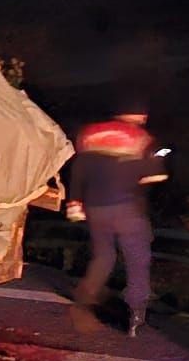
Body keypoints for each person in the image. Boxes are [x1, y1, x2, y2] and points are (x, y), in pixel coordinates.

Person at [64, 105, 168, 335]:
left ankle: (85, 299)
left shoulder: (91, 134)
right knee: (137, 258)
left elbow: (79, 169)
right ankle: (136, 312)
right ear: (139, 115)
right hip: (127, 209)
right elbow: (156, 174)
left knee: (104, 256)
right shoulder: (142, 139)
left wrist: (74, 202)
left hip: (95, 207)